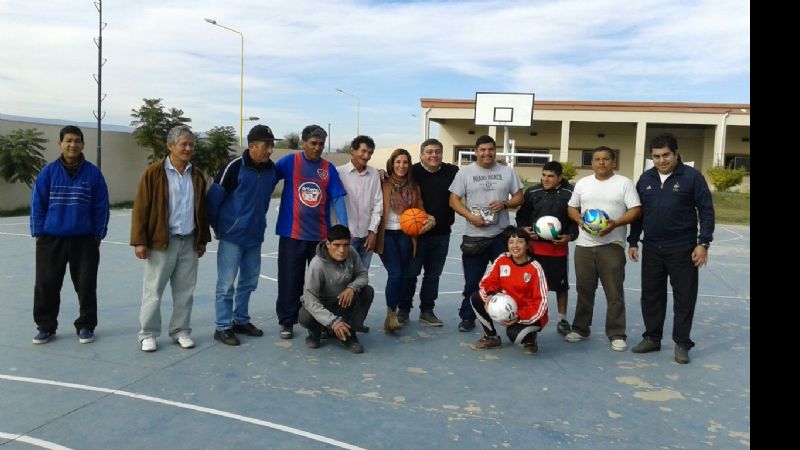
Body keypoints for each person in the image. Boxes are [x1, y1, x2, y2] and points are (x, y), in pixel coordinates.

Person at [627, 133, 714, 364]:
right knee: (651, 296)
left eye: (666, 155)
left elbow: (706, 211)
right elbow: (638, 213)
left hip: (682, 248)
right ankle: (652, 338)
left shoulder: (692, 177)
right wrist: (633, 241)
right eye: (656, 156)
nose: (661, 160)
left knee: (684, 297)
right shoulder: (646, 178)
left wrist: (703, 243)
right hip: (652, 248)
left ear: (676, 154)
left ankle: (682, 343)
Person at [131, 125, 211, 352]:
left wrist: (202, 239)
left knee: (185, 292)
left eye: (191, 145)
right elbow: (141, 209)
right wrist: (139, 241)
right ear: (170, 146)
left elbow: (201, 210)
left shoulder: (197, 175)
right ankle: (148, 334)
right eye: (183, 144)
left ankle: (180, 331)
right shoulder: (154, 173)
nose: (188, 148)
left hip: (189, 241)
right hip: (161, 242)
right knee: (153, 291)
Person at [29, 125, 110, 345]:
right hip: (51, 239)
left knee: (86, 284)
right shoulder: (48, 172)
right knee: (46, 284)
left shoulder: (93, 174)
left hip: (84, 240)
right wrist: (38, 233)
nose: (72, 145)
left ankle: (86, 325)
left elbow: (101, 206)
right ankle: (46, 327)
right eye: (68, 141)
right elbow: (37, 204)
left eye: (77, 141)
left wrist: (98, 235)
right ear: (60, 144)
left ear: (83, 145)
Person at [206, 125, 280, 346]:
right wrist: (220, 228)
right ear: (252, 146)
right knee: (226, 285)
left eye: (271, 145)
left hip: (255, 237)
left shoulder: (271, 170)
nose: (270, 150)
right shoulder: (234, 167)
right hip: (232, 237)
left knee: (249, 282)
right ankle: (222, 326)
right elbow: (213, 200)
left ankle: (240, 320)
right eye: (266, 145)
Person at [274, 124, 348, 339]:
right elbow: (268, 177)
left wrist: (344, 229)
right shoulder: (290, 162)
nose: (317, 148)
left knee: (322, 283)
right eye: (313, 143)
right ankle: (287, 321)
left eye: (321, 144)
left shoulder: (327, 168)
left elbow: (337, 198)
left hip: (320, 237)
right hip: (292, 234)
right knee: (290, 280)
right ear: (302, 143)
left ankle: (319, 323)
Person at [565, 146, 641, 352]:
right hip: (584, 245)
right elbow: (571, 207)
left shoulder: (624, 183)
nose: (601, 162)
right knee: (584, 290)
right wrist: (579, 220)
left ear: (613, 162)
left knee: (614, 292)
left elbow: (635, 210)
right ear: (592, 163)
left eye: (606, 159)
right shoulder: (583, 183)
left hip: (612, 245)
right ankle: (581, 329)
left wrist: (614, 224)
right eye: (597, 159)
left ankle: (617, 334)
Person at [449, 135, 524, 332]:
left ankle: (511, 315)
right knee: (472, 282)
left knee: (508, 281)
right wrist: (470, 216)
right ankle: (468, 317)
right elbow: (453, 200)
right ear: (476, 151)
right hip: (474, 236)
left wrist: (505, 203)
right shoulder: (465, 173)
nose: (487, 153)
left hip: (501, 236)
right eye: (482, 150)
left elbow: (519, 197)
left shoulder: (507, 171)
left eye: (490, 149)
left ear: (495, 151)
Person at [399, 138, 459, 327]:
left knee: (433, 276)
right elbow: (392, 175)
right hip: (416, 235)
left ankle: (427, 311)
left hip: (442, 234)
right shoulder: (412, 171)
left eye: (438, 151)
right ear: (421, 155)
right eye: (429, 152)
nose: (434, 155)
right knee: (410, 274)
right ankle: (403, 310)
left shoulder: (453, 171)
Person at [375, 148, 434, 333]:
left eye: (405, 162)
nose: (401, 165)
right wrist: (377, 172)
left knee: (403, 275)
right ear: (392, 164)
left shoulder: (414, 187)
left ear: (409, 165)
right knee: (395, 274)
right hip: (386, 234)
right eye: (398, 162)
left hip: (406, 234)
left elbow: (420, 210)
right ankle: (390, 316)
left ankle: (399, 311)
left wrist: (429, 218)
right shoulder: (382, 182)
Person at [515, 161, 578, 336]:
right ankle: (528, 315)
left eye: (550, 176)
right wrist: (524, 230)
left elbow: (574, 221)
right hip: (534, 248)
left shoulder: (571, 193)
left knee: (561, 286)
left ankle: (562, 319)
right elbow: (522, 217)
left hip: (557, 249)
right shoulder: (532, 192)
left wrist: (569, 236)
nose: (545, 179)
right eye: (543, 175)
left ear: (560, 177)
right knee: (530, 285)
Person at [469, 226, 549, 355]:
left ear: (527, 245)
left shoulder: (535, 268)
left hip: (529, 312)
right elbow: (488, 281)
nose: (515, 246)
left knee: (515, 335)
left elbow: (541, 302)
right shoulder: (503, 259)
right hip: (508, 307)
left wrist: (520, 316)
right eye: (511, 242)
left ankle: (530, 338)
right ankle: (491, 337)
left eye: (520, 242)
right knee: (477, 297)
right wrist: (490, 295)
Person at [299, 224, 373, 353]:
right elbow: (310, 300)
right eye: (337, 245)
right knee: (305, 316)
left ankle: (349, 332)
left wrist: (352, 287)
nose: (342, 250)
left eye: (346, 245)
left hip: (341, 301)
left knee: (367, 291)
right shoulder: (317, 265)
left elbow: (363, 275)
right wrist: (333, 322)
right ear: (328, 244)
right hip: (322, 304)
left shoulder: (352, 253)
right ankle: (316, 330)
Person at [336, 135, 383, 270]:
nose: (366, 156)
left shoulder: (374, 174)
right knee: (343, 277)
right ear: (353, 150)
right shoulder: (338, 172)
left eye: (370, 153)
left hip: (366, 237)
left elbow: (378, 204)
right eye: (363, 151)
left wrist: (373, 231)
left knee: (362, 277)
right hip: (345, 238)